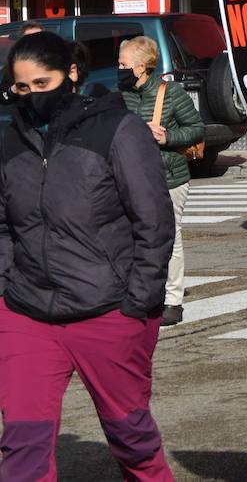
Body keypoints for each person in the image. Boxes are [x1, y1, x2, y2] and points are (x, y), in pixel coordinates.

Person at [0, 31, 177, 480]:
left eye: (43, 83)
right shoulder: (10, 142)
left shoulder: (118, 130)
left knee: (130, 436)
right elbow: (4, 226)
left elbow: (153, 222)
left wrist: (138, 302)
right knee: (23, 443)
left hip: (109, 310)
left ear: (72, 74)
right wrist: (5, 288)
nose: (32, 96)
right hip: (27, 311)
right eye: (22, 87)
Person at [118, 35, 205, 326]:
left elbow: (196, 129)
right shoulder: (121, 93)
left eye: (123, 64)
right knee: (133, 235)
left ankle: (173, 300)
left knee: (171, 235)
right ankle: (142, 291)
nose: (119, 69)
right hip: (132, 175)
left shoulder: (171, 93)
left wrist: (167, 137)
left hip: (169, 174)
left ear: (141, 67)